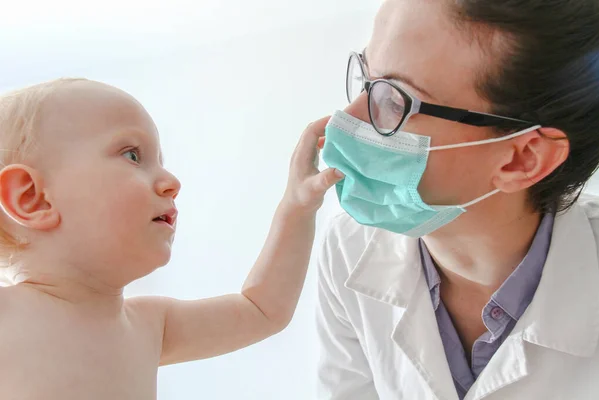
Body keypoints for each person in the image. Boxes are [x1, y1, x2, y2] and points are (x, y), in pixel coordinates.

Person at [316, 0, 599, 399]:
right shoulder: (347, 249)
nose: (345, 119)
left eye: (395, 99)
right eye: (365, 77)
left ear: (522, 158)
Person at [0, 78, 343, 399]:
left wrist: (297, 207)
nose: (171, 181)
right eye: (133, 155)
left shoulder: (150, 326)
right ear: (33, 198)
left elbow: (262, 310)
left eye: (159, 160)